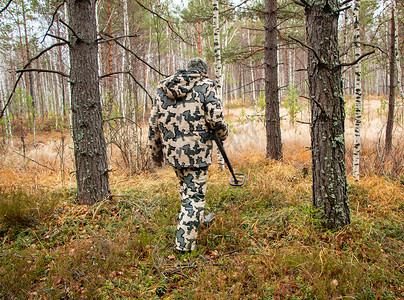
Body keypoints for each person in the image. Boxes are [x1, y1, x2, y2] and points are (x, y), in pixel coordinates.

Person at [148, 57, 228, 253]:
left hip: (173, 153)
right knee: (195, 196)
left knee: (187, 189)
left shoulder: (163, 87)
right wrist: (222, 135)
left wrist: (155, 152)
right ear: (201, 72)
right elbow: (216, 118)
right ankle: (183, 247)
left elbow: (153, 124)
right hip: (197, 153)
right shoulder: (205, 85)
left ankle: (198, 219)